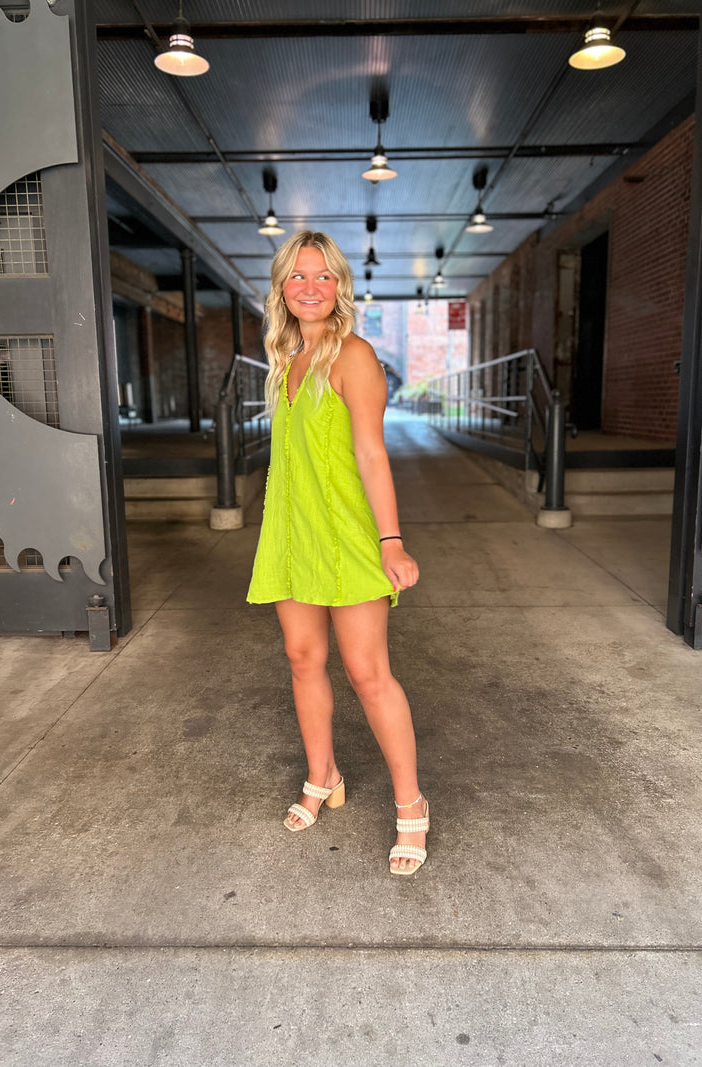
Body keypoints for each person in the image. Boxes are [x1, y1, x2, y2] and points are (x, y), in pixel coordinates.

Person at [247, 231, 428, 875]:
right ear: (282, 289)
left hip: (347, 534)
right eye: (298, 277)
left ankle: (412, 805)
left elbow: (371, 453)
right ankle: (322, 776)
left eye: (323, 277)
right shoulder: (284, 355)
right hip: (293, 533)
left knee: (367, 672)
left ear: (340, 285)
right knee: (302, 658)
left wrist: (391, 540)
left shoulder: (354, 355)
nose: (311, 287)